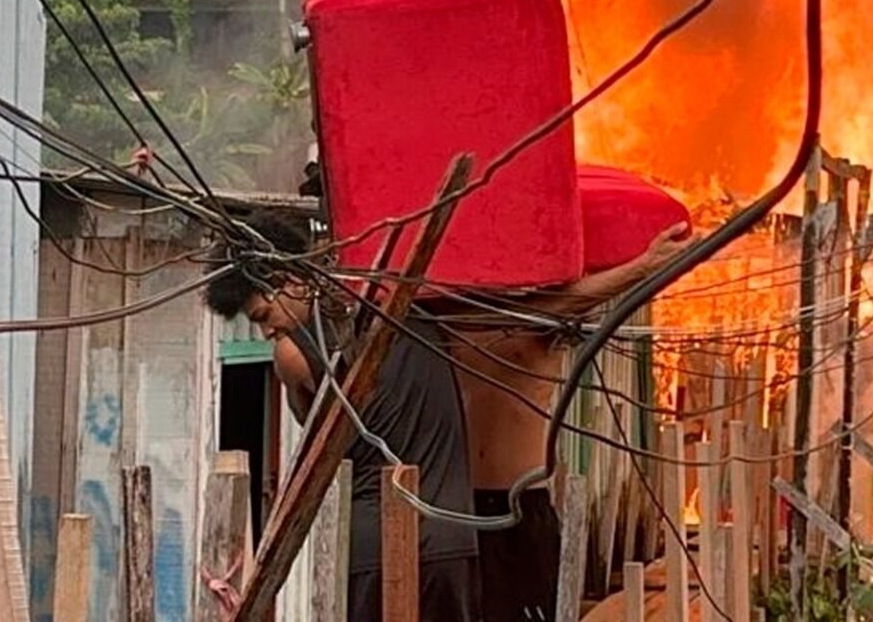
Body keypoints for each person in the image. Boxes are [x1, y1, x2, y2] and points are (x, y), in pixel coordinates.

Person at [204, 210, 480, 622]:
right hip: (452, 541)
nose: (266, 332)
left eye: (263, 316)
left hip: (371, 548)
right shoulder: (414, 308)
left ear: (290, 279)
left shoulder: (293, 354)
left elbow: (316, 435)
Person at [445, 224, 689, 621]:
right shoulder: (439, 313)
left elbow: (566, 303)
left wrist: (644, 265)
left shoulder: (545, 320)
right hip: (453, 508)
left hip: (520, 506)